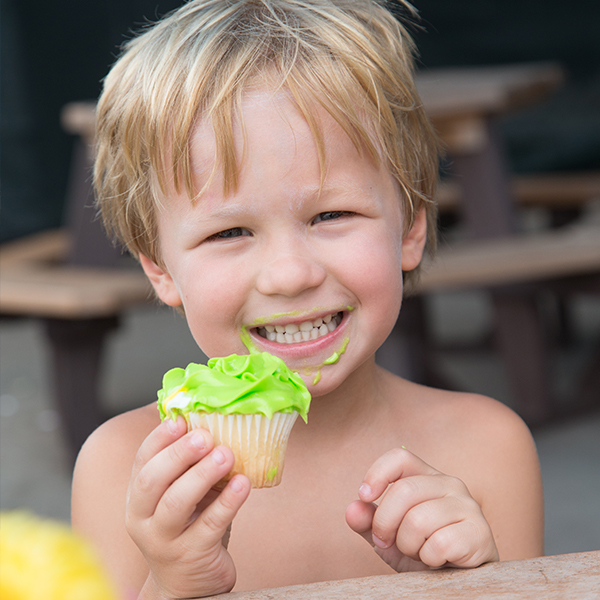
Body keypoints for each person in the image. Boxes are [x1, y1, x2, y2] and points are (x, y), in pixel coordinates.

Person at [71, 1, 544, 598]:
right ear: (160, 269)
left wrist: (472, 586)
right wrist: (172, 582)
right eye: (229, 232)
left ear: (409, 230)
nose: (290, 274)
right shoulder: (122, 470)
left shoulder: (486, 448)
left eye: (332, 214)